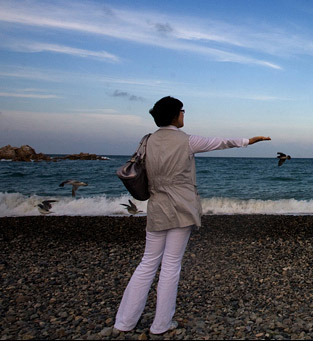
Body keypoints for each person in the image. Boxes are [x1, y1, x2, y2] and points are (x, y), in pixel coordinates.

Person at [114, 96, 270, 334]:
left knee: (147, 263)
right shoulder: (188, 141)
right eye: (182, 111)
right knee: (171, 265)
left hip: (157, 207)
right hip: (182, 209)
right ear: (175, 115)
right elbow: (222, 142)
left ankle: (124, 322)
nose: (184, 115)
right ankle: (161, 324)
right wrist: (250, 140)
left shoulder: (146, 140)